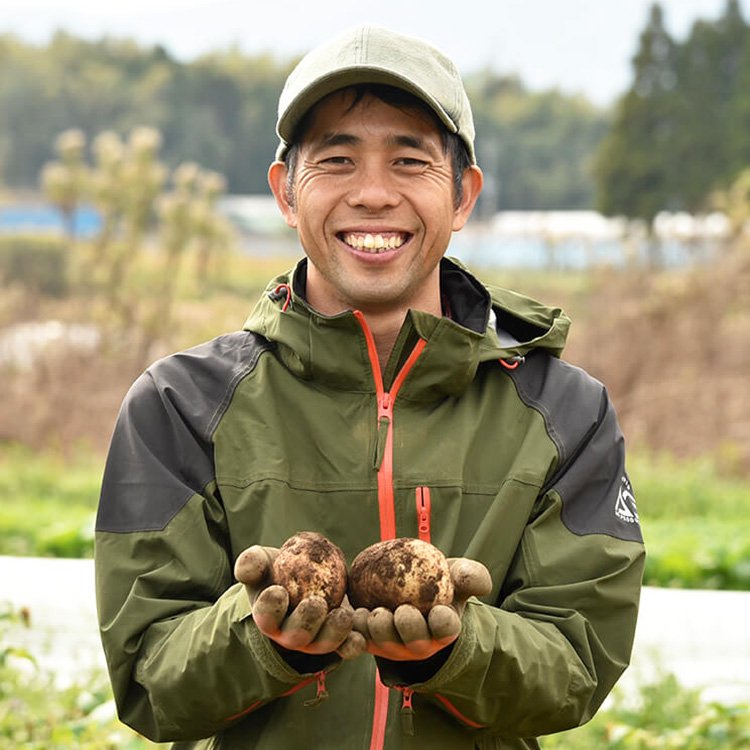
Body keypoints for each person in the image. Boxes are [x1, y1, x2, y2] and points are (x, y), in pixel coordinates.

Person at [95, 24, 645, 750]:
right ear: (286, 192)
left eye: (411, 160)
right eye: (337, 160)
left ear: (463, 196)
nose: (374, 194)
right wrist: (266, 638)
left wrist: (455, 649)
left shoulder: (564, 412)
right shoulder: (179, 405)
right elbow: (146, 678)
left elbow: (578, 663)